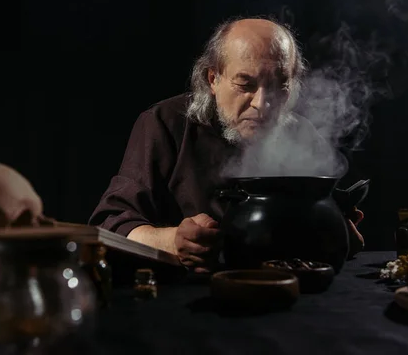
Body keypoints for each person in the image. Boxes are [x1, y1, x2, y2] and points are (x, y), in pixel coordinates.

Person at [88, 17, 365, 273]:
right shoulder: (164, 124)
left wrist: (334, 231)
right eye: (245, 85)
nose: (262, 103)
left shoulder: (301, 133)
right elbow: (109, 225)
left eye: (279, 84)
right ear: (213, 79)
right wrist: (172, 240)